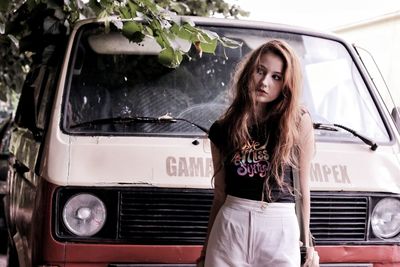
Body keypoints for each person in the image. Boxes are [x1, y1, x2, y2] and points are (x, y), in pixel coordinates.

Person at [197, 39, 315, 267]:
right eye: (260, 71)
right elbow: (220, 194)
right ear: (249, 72)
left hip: (280, 227)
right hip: (232, 224)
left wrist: (307, 244)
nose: (264, 82)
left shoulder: (298, 121)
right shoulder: (223, 127)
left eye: (276, 77)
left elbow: (303, 188)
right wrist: (204, 251)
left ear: (286, 84)